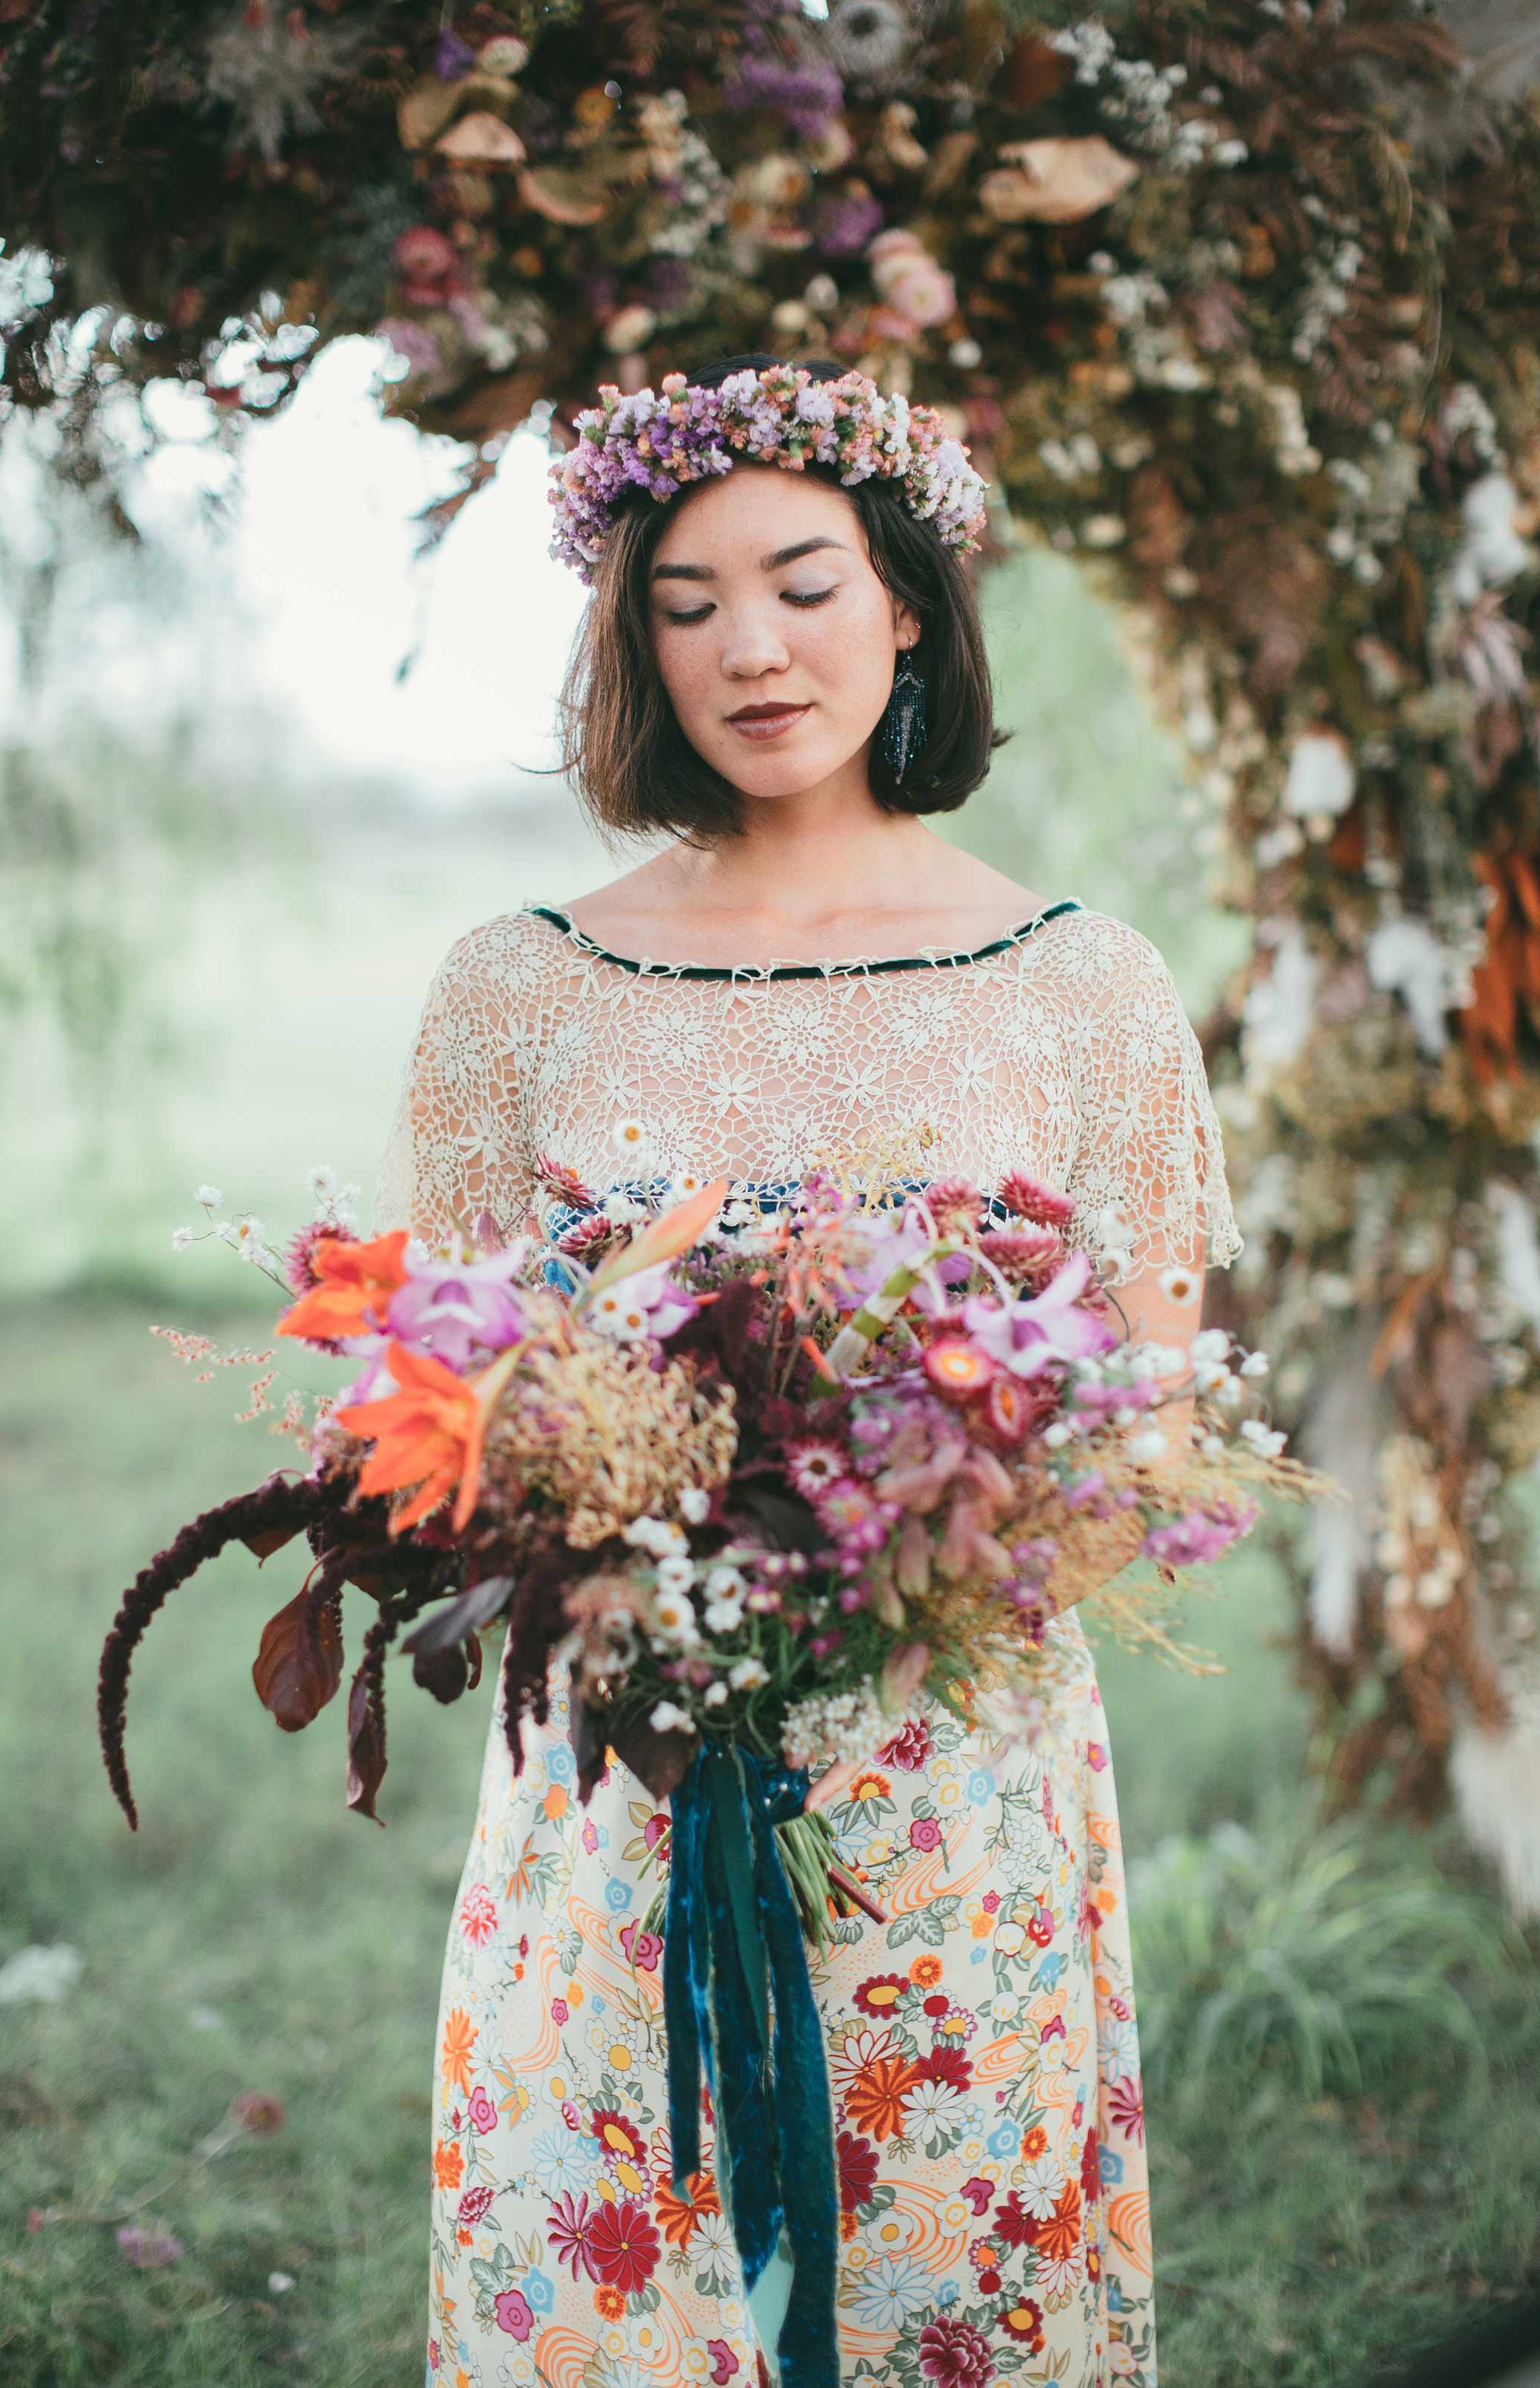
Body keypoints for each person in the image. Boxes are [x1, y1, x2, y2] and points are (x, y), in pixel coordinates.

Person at [372, 354, 1243, 2388]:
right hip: (631, 1772)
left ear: (912, 604)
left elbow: (1159, 1416)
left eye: (804, 581)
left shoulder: (1083, 982)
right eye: (685, 603)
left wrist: (898, 1543)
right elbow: (455, 1403)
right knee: (624, 2274)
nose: (749, 645)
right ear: (633, 647)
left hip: (959, 1778)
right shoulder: (521, 987)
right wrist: (647, 1546)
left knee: (957, 2273)